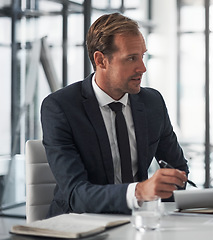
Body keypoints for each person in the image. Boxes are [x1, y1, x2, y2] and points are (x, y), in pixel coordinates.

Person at [41, 12, 189, 217]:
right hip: (79, 222)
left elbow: (178, 168)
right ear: (101, 60)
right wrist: (139, 192)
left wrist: (165, 191)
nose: (142, 68)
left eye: (142, 56)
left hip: (141, 221)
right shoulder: (60, 108)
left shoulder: (152, 103)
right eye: (131, 58)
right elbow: (75, 193)